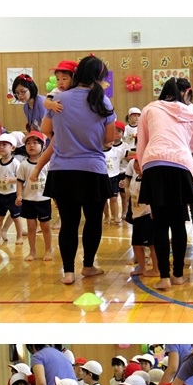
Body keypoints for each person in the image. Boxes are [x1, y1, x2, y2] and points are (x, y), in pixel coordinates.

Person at [30, 55, 115, 284]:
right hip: (93, 169)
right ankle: (88, 266)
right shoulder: (102, 101)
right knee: (93, 220)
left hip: (62, 170)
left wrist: (67, 137)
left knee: (68, 222)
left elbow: (46, 130)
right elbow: (109, 138)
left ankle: (68, 272)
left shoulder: (59, 98)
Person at [135, 78, 193, 289]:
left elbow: (142, 142)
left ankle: (164, 277)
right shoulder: (190, 112)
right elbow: (191, 145)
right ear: (184, 94)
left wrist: (144, 167)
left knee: (160, 224)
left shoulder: (149, 109)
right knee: (178, 223)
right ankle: (178, 275)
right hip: (180, 166)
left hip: (154, 165)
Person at [14, 131, 53, 260]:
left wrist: (55, 198)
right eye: (28, 143)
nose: (31, 145)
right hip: (28, 201)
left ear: (43, 145)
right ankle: (32, 251)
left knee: (45, 226)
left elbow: (52, 181)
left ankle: (48, 250)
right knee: (31, 227)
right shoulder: (23, 165)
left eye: (35, 143)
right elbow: (20, 182)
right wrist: (19, 195)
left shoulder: (47, 163)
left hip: (44, 200)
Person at [0, 133, 22, 245]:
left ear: (12, 148)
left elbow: (21, 178)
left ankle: (19, 236)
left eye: (4, 145)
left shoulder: (15, 163)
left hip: (12, 194)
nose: (1, 147)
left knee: (16, 218)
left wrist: (11, 180)